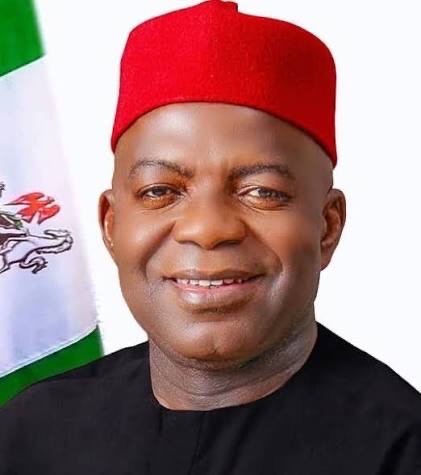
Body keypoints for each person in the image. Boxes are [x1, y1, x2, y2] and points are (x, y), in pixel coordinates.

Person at [1, 1, 420, 473]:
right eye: (160, 191)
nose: (207, 229)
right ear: (111, 225)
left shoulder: (401, 451)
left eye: (262, 192)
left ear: (327, 226)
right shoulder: (28, 434)